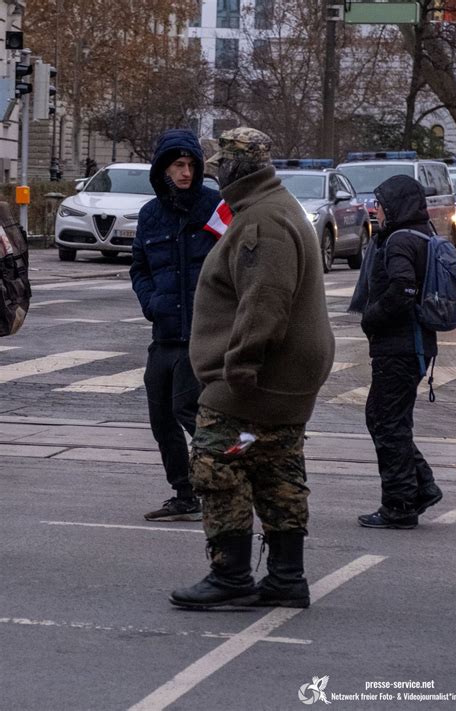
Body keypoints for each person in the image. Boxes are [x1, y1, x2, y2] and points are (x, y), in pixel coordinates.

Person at [169, 127, 335, 609]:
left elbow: (265, 303)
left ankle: (231, 575)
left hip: (253, 379)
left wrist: (238, 367)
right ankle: (286, 578)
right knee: (276, 469)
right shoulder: (273, 209)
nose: (214, 172)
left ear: (239, 168)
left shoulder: (261, 220)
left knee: (215, 465)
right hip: (282, 377)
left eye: (221, 164)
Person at [130, 128, 221, 522]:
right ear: (163, 169)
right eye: (177, 165)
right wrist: (151, 302)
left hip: (200, 333)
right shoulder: (151, 215)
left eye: (190, 165)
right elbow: (139, 268)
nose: (185, 173)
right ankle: (185, 493)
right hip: (164, 331)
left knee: (188, 407)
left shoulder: (214, 206)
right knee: (161, 417)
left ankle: (221, 482)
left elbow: (235, 259)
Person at [352, 175, 443, 530]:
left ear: (396, 206)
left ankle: (400, 503)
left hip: (401, 348)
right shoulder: (421, 233)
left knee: (385, 421)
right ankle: (421, 486)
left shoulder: (401, 240)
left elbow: (404, 288)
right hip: (412, 346)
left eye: (380, 203)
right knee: (390, 420)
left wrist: (371, 318)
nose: (375, 210)